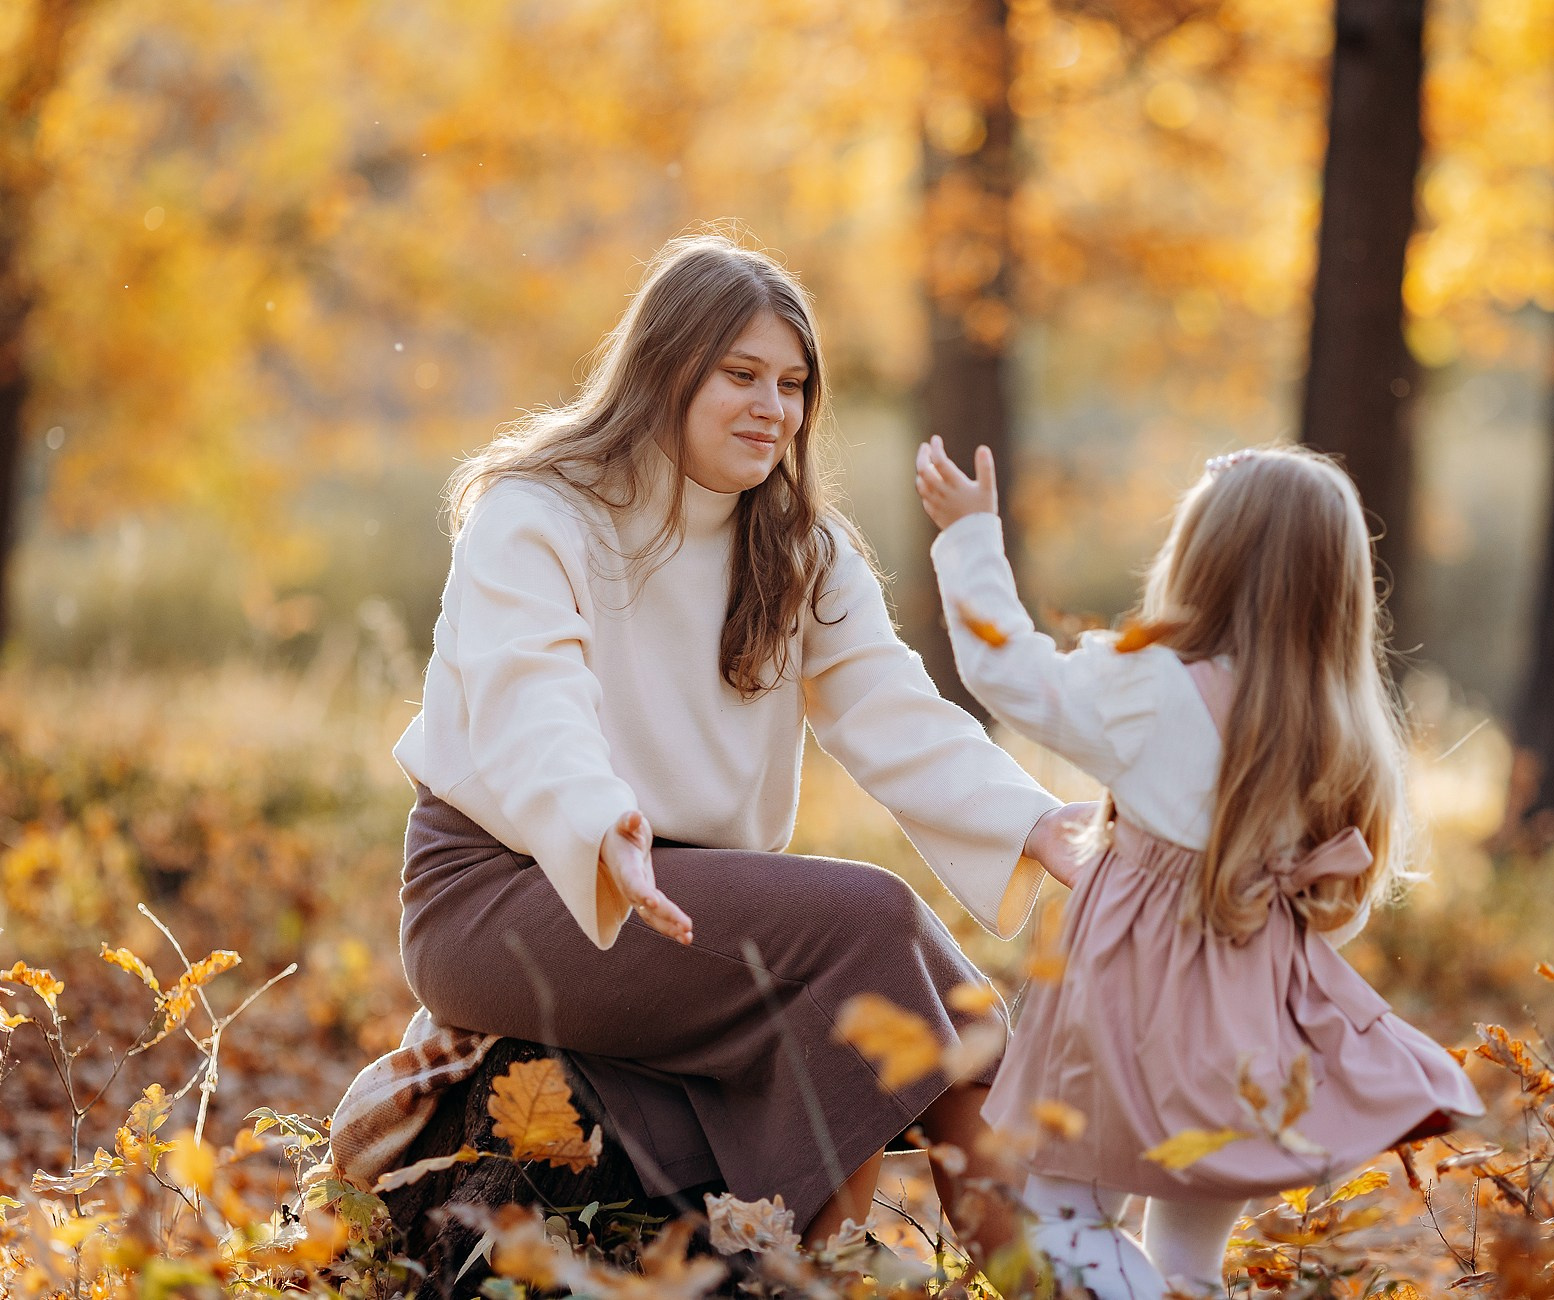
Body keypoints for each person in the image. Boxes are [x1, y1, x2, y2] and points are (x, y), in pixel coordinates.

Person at [348, 233, 1092, 1256]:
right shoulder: (538, 510)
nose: (772, 408)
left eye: (792, 384)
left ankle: (1035, 1269)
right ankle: (872, 1268)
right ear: (664, 372)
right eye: (740, 374)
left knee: (910, 980)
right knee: (875, 920)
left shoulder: (802, 547)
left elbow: (892, 709)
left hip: (688, 892)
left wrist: (1035, 820)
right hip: (511, 889)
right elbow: (531, 695)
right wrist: (596, 820)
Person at [915, 440, 1485, 1297]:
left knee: (1065, 1221)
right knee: (1188, 1260)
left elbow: (1009, 672)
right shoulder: (1345, 733)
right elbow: (1342, 909)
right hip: (1250, 1030)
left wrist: (969, 538)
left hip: (1122, 1016)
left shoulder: (1150, 688)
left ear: (1201, 560)